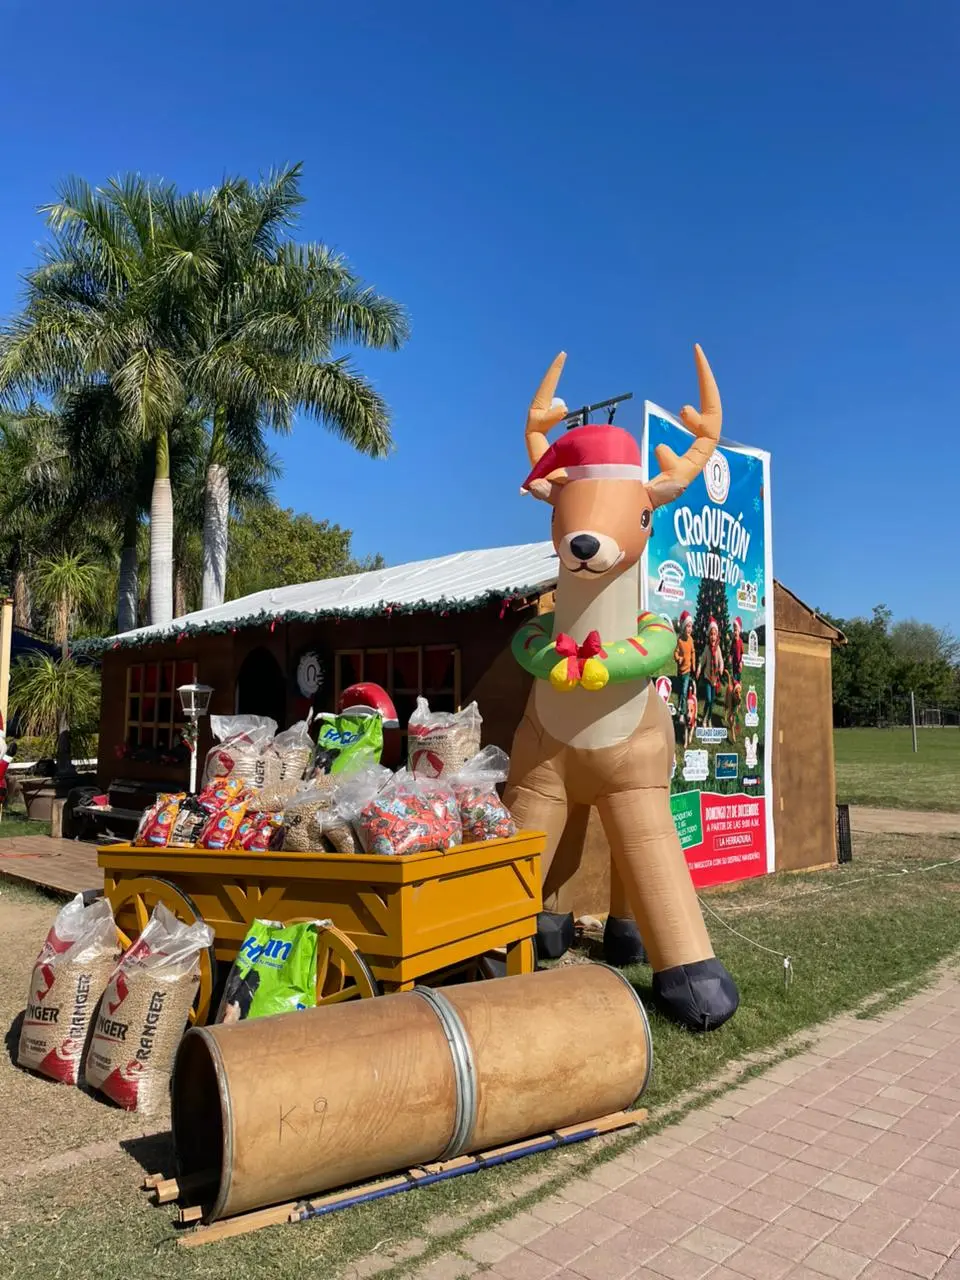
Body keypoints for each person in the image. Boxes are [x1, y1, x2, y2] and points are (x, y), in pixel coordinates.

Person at [697, 616, 725, 725]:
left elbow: (721, 661)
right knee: (708, 699)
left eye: (715, 634)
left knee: (712, 701)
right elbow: (702, 660)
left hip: (715, 679)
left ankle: (708, 718)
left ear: (717, 635)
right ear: (709, 636)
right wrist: (699, 669)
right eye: (711, 634)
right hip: (708, 677)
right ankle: (704, 717)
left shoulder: (718, 649)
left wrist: (721, 668)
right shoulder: (707, 648)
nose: (713, 637)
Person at [674, 610, 696, 705]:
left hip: (687, 671)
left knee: (684, 691)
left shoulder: (691, 640)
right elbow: (675, 653)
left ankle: (682, 712)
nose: (689, 629)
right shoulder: (680, 640)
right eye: (687, 626)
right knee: (680, 691)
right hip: (680, 671)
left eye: (691, 627)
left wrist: (694, 664)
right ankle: (680, 706)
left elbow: (693, 652)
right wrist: (678, 658)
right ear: (683, 627)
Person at [731, 616, 744, 682]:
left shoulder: (741, 641)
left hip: (739, 665)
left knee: (738, 679)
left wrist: (741, 662)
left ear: (739, 631)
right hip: (734, 665)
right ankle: (734, 691)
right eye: (734, 630)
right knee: (734, 680)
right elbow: (731, 651)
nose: (735, 632)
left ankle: (738, 691)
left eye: (736, 630)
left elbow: (742, 653)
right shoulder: (733, 641)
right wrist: (730, 657)